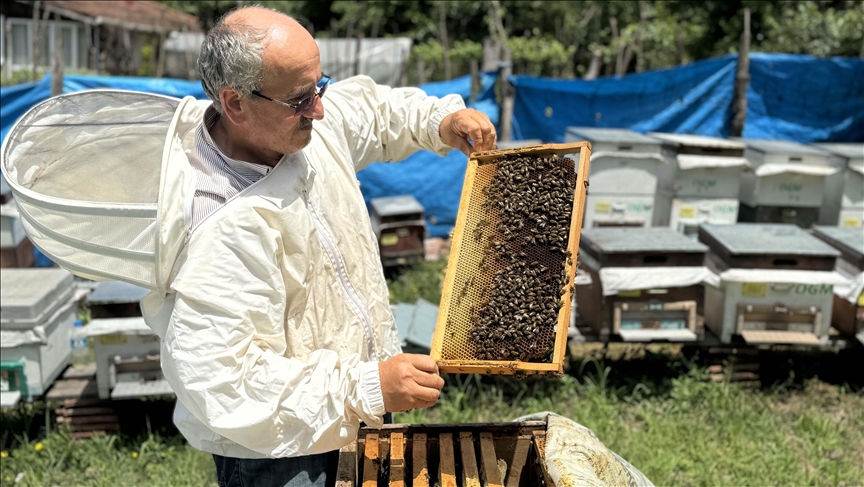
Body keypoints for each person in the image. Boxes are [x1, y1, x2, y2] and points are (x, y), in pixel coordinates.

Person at [138, 5, 497, 487]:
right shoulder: (212, 224)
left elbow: (372, 111)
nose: (320, 108)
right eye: (301, 98)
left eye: (319, 86)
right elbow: (227, 383)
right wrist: (370, 385)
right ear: (236, 103)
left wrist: (441, 119)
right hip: (279, 455)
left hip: (362, 411)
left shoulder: (297, 122)